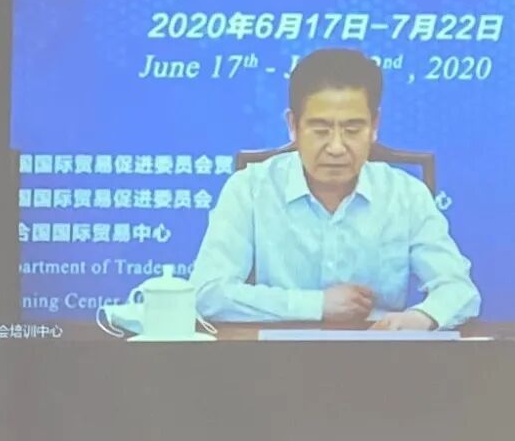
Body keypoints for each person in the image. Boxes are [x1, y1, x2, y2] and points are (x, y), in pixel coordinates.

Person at [191, 48, 480, 330]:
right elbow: (208, 294)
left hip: (380, 351)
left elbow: (459, 289)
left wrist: (422, 318)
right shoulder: (250, 189)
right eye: (321, 130)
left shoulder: (405, 194)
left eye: (352, 130)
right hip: (278, 355)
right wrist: (316, 305)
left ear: (374, 126)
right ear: (293, 125)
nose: (337, 147)